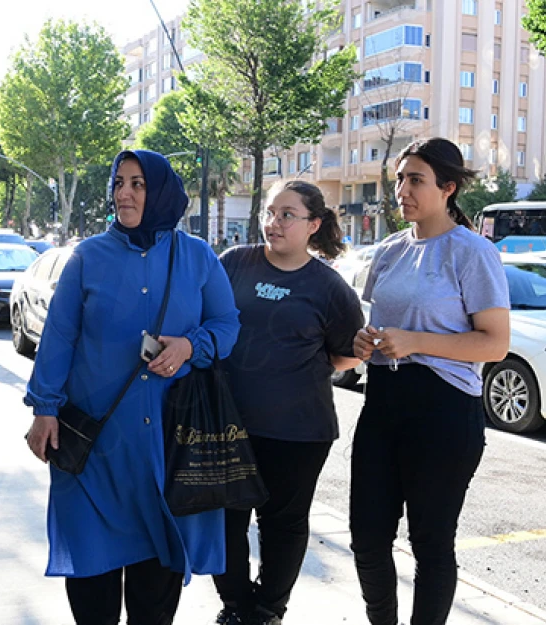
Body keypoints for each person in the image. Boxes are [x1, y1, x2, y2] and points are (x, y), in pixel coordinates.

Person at [24, 149, 240, 625]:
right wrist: (44, 408)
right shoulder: (88, 258)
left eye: (137, 184)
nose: (123, 192)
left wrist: (189, 346)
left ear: (160, 192)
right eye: (119, 182)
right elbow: (59, 335)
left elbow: (227, 323)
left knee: (155, 580)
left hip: (166, 449)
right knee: (92, 578)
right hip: (96, 448)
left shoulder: (197, 257)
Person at [349, 138, 510, 625]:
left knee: (431, 542)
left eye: (415, 179)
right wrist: (364, 341)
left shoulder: (472, 252)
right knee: (367, 538)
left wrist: (416, 340)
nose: (402, 189)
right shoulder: (389, 250)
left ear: (448, 188)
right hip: (382, 404)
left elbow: (495, 344)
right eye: (399, 179)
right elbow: (381, 322)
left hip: (443, 412)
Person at [213, 181, 365, 625]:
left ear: (313, 225)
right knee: (225, 521)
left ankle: (267, 610)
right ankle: (235, 605)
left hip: (299, 430)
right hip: (229, 424)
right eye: (269, 212)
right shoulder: (235, 263)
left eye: (286, 215)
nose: (272, 223)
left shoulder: (330, 288)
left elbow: (347, 353)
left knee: (283, 524)